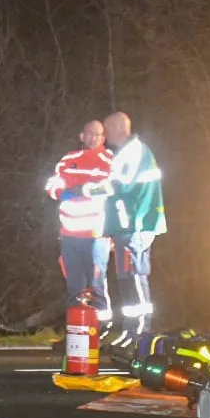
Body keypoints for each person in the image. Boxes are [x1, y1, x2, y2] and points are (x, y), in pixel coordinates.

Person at [89, 111, 166, 348]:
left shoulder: (134, 152)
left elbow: (119, 186)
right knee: (126, 279)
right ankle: (130, 331)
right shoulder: (125, 153)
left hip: (137, 225)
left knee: (135, 277)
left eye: (107, 130)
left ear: (118, 128)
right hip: (126, 226)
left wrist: (86, 190)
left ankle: (141, 333)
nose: (105, 136)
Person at [44, 119, 113, 323]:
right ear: (82, 136)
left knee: (97, 285)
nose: (93, 138)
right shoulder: (68, 159)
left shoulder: (110, 161)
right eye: (90, 133)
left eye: (98, 134)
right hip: (69, 233)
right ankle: (76, 330)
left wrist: (82, 189)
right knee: (74, 287)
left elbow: (112, 189)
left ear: (103, 138)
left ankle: (101, 328)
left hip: (96, 234)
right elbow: (51, 185)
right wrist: (61, 192)